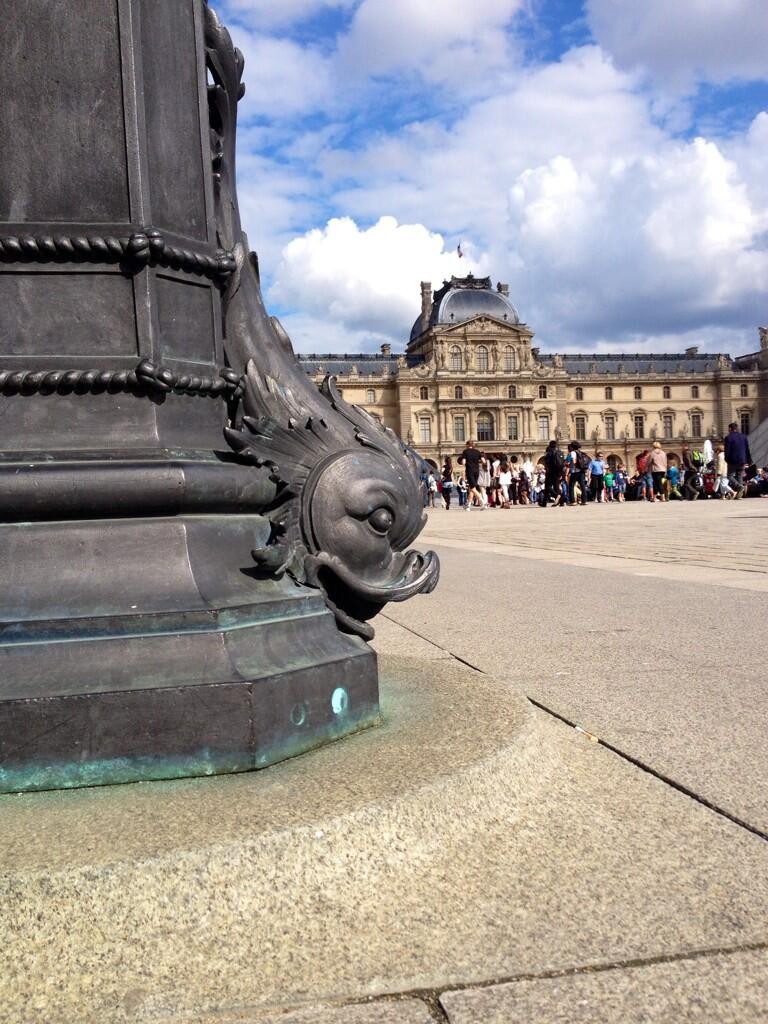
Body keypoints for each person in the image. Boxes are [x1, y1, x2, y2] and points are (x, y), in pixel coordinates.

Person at [724, 422, 752, 494]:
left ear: (730, 429)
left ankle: (739, 486)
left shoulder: (728, 438)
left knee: (729, 476)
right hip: (742, 460)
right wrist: (749, 460)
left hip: (732, 460)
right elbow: (747, 449)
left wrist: (726, 459)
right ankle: (740, 494)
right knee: (739, 475)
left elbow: (727, 450)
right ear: (736, 428)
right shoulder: (743, 437)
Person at [458, 440, 486, 509]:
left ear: (467, 445)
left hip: (470, 471)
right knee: (472, 488)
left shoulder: (465, 451)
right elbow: (483, 461)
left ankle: (482, 501)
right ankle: (468, 505)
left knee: (473, 488)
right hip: (477, 471)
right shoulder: (477, 451)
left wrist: (464, 461)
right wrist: (476, 462)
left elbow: (464, 462)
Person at [543, 439, 565, 506]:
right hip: (558, 472)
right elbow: (562, 463)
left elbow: (547, 462)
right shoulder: (560, 452)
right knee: (556, 486)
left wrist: (547, 469)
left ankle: (557, 496)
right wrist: (561, 473)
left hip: (551, 471)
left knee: (548, 486)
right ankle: (561, 502)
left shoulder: (549, 452)